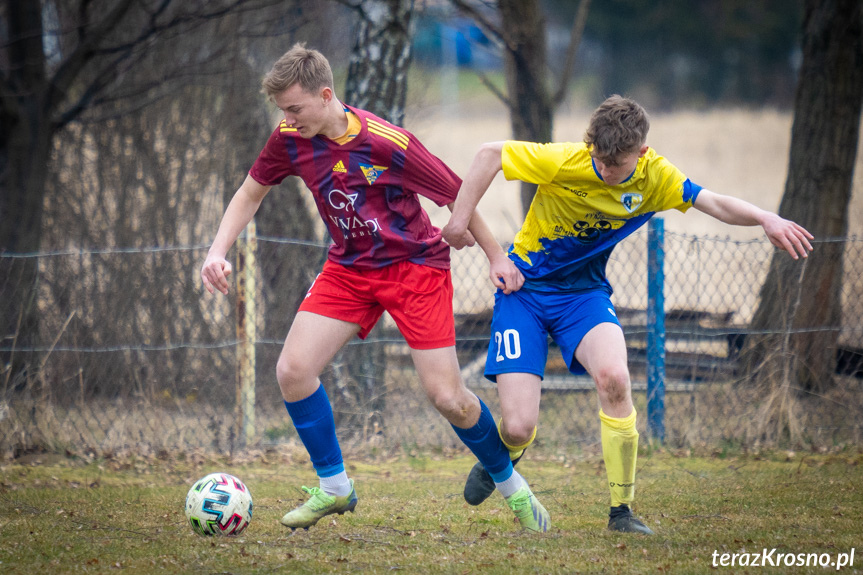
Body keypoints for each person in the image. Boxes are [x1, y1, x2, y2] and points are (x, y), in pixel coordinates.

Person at [201, 44, 550, 533]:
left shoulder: (387, 143)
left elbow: (456, 195)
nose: (287, 118)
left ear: (326, 95)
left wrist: (496, 256)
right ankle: (336, 488)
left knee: (447, 396)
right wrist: (218, 251)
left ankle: (513, 488)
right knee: (293, 370)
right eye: (282, 110)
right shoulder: (289, 137)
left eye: (295, 108)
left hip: (415, 269)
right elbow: (250, 192)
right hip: (349, 269)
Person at [441, 95, 814, 534]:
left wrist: (765, 218)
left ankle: (622, 512)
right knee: (520, 427)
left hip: (585, 297)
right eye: (599, 159)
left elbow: (713, 203)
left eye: (614, 165)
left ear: (640, 153)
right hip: (523, 292)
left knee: (615, 379)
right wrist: (462, 224)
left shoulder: (657, 178)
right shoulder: (566, 161)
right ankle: (503, 455)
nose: (604, 170)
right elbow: (489, 155)